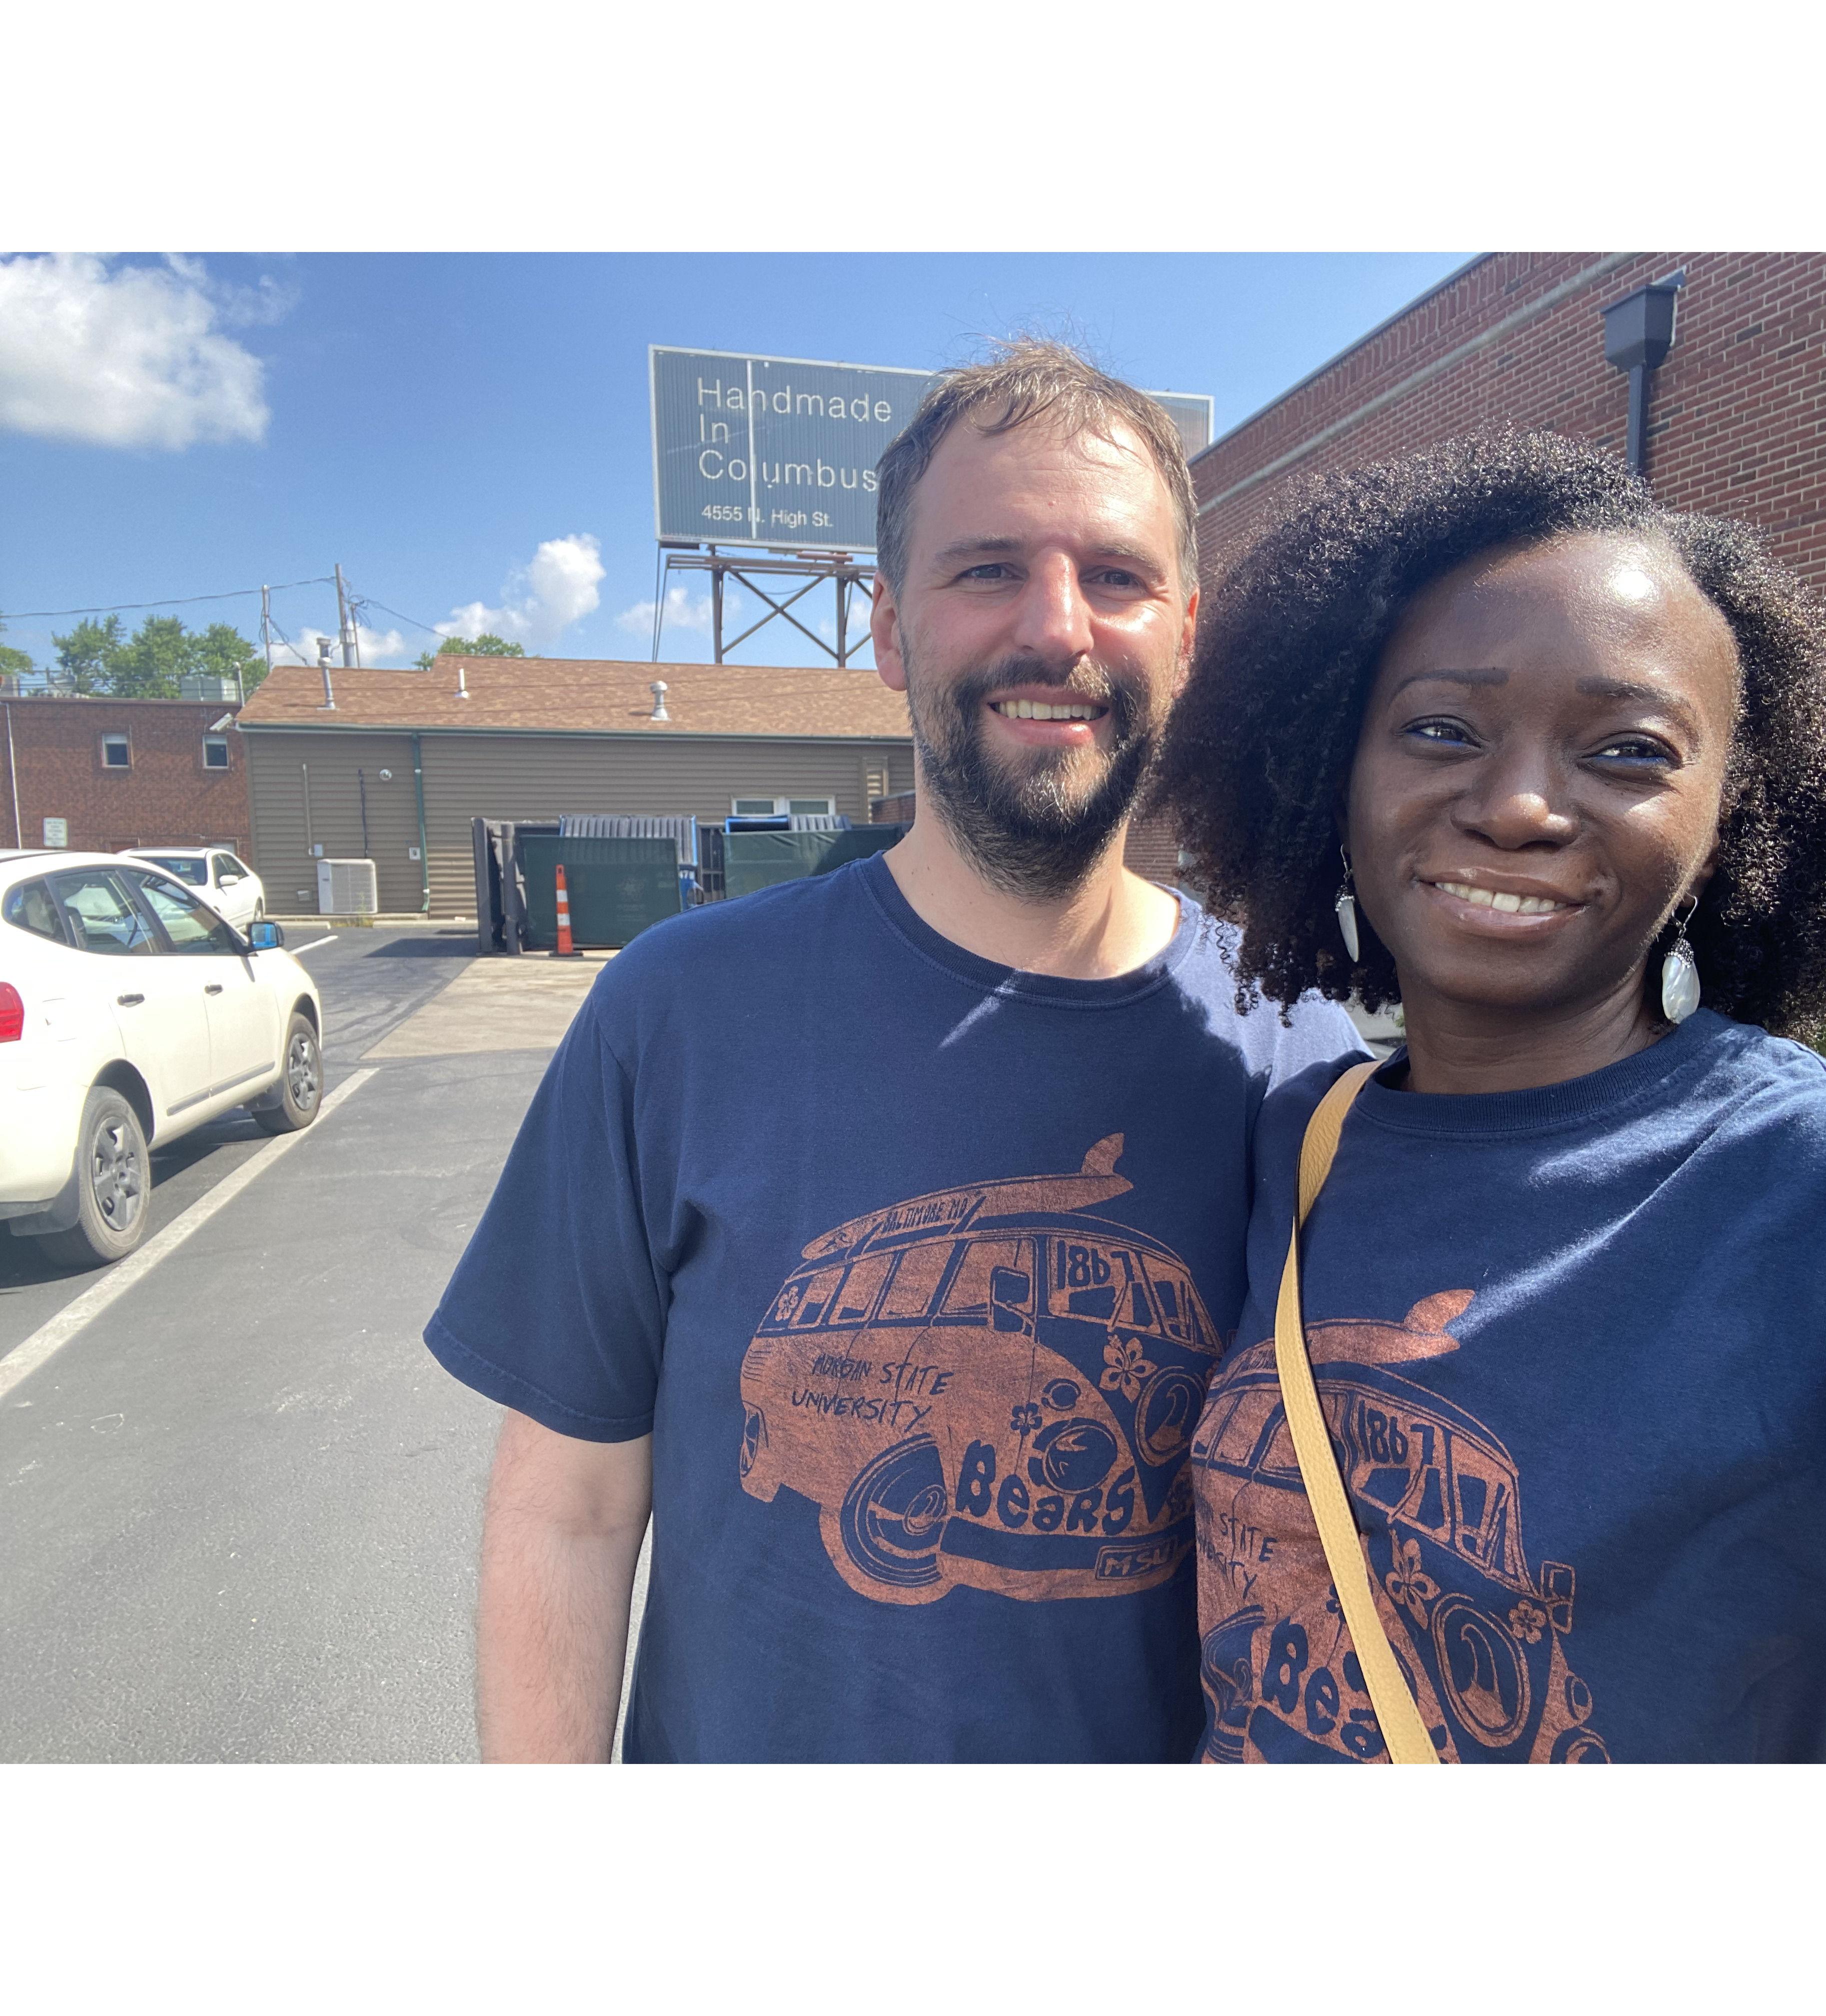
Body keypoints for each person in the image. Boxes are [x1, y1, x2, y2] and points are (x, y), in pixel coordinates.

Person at [423, 340, 1361, 1762]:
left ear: (1185, 631)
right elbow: (571, 1505)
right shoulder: (678, 1009)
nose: (1059, 628)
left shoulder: (1299, 1051)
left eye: (1115, 576)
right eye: (988, 569)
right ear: (886, 630)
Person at [1153, 428, 1826, 1764]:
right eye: (1440, 729)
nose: (1517, 807)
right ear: (1335, 770)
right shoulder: (1298, 1140)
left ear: (1730, 814)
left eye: (1627, 752)